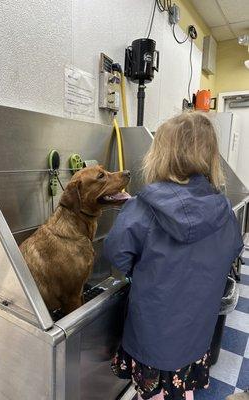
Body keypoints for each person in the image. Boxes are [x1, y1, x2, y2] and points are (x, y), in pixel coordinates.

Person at [103, 112, 243, 400]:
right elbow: (230, 251)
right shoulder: (224, 212)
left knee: (154, 394)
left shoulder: (141, 209)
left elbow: (117, 255)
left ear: (160, 155)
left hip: (152, 339)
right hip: (196, 335)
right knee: (182, 388)